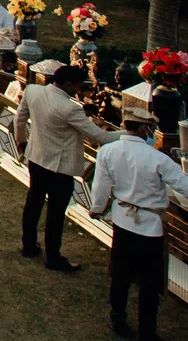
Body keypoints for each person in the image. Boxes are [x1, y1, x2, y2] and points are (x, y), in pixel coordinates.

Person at [91, 107, 188, 339]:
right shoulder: (157, 159)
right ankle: (147, 330)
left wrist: (96, 208)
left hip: (122, 220)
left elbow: (101, 186)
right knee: (149, 282)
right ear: (144, 128)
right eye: (151, 128)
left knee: (121, 273)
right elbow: (184, 186)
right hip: (149, 226)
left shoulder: (108, 151)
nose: (152, 133)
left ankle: (118, 318)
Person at [14, 64, 121, 271]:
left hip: (37, 159)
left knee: (33, 203)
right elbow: (101, 137)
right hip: (59, 169)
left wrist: (22, 143)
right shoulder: (69, 108)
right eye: (78, 87)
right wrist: (129, 133)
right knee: (55, 213)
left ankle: (29, 245)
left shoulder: (33, 90)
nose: (78, 91)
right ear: (69, 84)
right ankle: (53, 257)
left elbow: (19, 119)